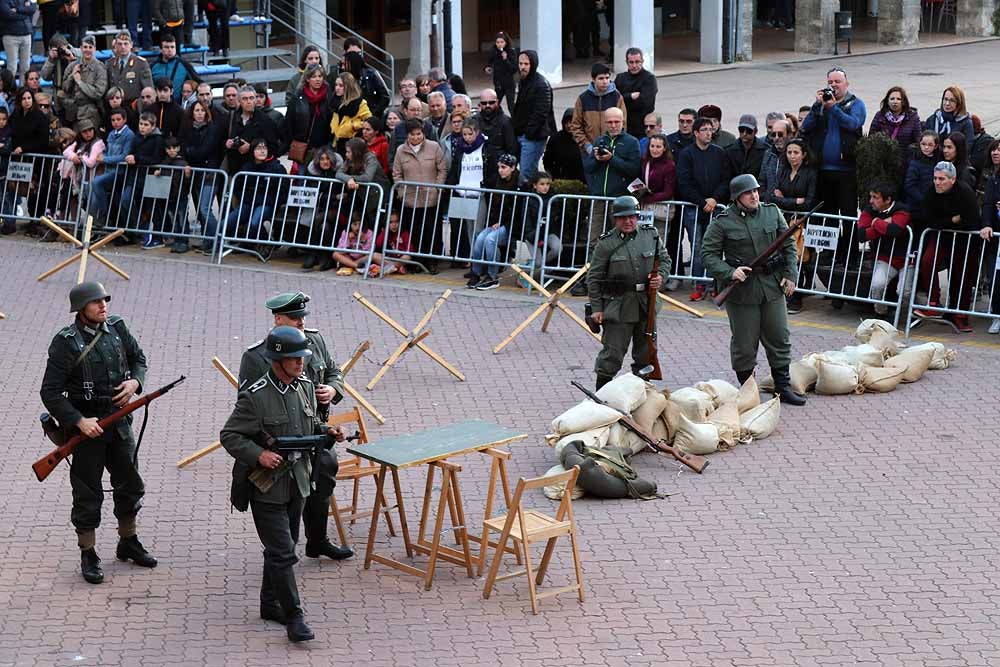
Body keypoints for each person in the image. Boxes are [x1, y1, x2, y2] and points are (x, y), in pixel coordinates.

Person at [221, 325, 337, 643]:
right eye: (294, 358)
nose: (301, 363)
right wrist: (258, 455)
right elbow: (230, 436)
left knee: (282, 549)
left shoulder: (304, 387)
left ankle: (269, 603)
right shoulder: (255, 397)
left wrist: (327, 433)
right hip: (267, 486)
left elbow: (311, 422)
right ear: (277, 361)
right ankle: (294, 617)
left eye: (302, 358)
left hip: (298, 481)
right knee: (284, 552)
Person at [39, 282, 156, 585]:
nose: (103, 305)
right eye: (95, 302)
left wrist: (135, 384)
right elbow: (50, 392)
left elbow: (138, 359)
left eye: (104, 300)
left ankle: (128, 540)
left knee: (130, 482)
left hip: (119, 423)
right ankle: (88, 552)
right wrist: (78, 421)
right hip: (88, 429)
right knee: (88, 491)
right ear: (81, 309)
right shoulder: (65, 342)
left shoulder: (117, 327)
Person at [237, 293, 352, 559]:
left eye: (303, 317)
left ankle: (318, 540)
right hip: (282, 441)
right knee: (286, 495)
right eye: (295, 318)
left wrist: (333, 390)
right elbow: (248, 406)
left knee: (323, 483)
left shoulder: (315, 341)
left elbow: (335, 371)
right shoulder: (257, 356)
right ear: (278, 319)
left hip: (317, 432)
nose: (301, 322)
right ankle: (283, 551)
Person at [701, 174, 805, 405]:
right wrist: (729, 272)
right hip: (742, 292)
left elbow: (788, 243)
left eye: (756, 191)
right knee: (745, 344)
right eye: (748, 193)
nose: (754, 195)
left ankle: (782, 386)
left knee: (779, 336)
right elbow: (707, 254)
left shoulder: (771, 211)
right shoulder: (723, 222)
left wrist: (790, 274)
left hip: (771, 286)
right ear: (737, 197)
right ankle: (749, 391)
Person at [586, 195, 670, 390]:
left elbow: (665, 260)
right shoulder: (606, 243)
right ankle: (601, 397)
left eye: (632, 216)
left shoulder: (651, 235)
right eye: (623, 217)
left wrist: (661, 277)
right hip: (618, 305)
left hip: (645, 304)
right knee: (612, 354)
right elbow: (594, 278)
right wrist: (597, 309)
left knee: (645, 353)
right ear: (615, 219)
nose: (628, 221)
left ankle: (642, 395)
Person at [801, 66, 866, 261]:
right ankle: (830, 252)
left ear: (846, 84)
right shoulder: (822, 105)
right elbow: (806, 127)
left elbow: (853, 123)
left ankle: (850, 255)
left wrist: (833, 108)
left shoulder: (856, 104)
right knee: (827, 214)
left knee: (847, 214)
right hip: (823, 169)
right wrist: (816, 106)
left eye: (837, 82)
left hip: (846, 170)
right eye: (830, 82)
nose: (834, 86)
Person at [912, 161, 982, 332]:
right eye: (935, 178)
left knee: (961, 276)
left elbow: (970, 219)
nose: (937, 182)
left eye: (941, 179)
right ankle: (933, 301)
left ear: (952, 179)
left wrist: (950, 222)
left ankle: (960, 316)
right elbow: (928, 219)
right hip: (942, 235)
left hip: (964, 239)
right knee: (928, 261)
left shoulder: (965, 192)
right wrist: (951, 220)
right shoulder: (931, 192)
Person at [676, 116, 731, 301]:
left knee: (714, 247)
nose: (709, 133)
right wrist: (702, 202)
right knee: (697, 246)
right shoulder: (686, 154)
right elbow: (684, 183)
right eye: (705, 129)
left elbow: (725, 180)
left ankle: (713, 283)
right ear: (696, 133)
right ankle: (699, 284)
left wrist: (715, 199)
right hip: (694, 208)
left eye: (711, 129)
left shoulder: (719, 153)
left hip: (715, 207)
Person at [392, 118, 447, 272]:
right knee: (414, 232)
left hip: (431, 199)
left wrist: (437, 188)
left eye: (418, 134)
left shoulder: (434, 147)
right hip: (410, 200)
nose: (416, 138)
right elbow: (397, 174)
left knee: (432, 231)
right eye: (412, 134)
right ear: (407, 135)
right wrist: (402, 192)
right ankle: (416, 262)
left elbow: (442, 169)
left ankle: (433, 261)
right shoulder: (400, 151)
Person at [582, 107, 641, 243]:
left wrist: (612, 159)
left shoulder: (631, 142)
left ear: (623, 122)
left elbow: (633, 170)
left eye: (616, 122)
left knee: (619, 238)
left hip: (619, 200)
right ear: (604, 123)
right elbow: (588, 168)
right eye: (609, 122)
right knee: (594, 239)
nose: (613, 125)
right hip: (599, 197)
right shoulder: (599, 141)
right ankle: (594, 264)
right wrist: (597, 159)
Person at [856, 182, 911, 316]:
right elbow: (861, 235)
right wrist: (884, 224)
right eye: (871, 197)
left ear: (888, 200)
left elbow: (896, 230)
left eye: (875, 197)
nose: (871, 201)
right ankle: (881, 313)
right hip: (885, 257)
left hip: (908, 259)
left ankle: (910, 314)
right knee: (877, 285)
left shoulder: (901, 210)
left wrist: (875, 223)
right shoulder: (869, 209)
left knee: (904, 292)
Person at [468, 153, 519, 290]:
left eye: (504, 167)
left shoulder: (520, 184)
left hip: (511, 224)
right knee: (480, 238)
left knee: (490, 240)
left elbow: (517, 210)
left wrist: (501, 222)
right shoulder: (495, 180)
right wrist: (495, 221)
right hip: (497, 221)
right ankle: (476, 272)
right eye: (499, 167)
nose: (500, 170)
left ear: (513, 168)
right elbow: (493, 206)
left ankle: (493, 276)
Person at [179, 100, 222, 253]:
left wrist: (191, 152)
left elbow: (205, 150)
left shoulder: (213, 129)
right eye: (196, 110)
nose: (199, 113)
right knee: (201, 209)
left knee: (204, 208)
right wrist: (189, 154)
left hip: (210, 173)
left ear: (206, 113)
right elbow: (182, 148)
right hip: (195, 174)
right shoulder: (187, 129)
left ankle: (218, 239)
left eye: (202, 111)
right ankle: (208, 241)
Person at [224, 138, 286, 242]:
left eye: (264, 148)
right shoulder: (247, 167)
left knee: (255, 222)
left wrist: (272, 201)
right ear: (252, 151)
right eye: (258, 148)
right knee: (226, 223)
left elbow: (284, 190)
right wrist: (245, 198)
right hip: (249, 202)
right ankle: (244, 243)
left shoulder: (277, 168)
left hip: (267, 204)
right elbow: (237, 187)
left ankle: (266, 243)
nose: (262, 151)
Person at [511, 49, 554, 185]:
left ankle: (528, 204)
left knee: (526, 175)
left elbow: (541, 113)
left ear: (533, 64)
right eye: (520, 63)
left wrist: (529, 133)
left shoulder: (541, 84)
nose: (522, 67)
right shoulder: (524, 81)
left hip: (533, 137)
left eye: (526, 64)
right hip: (523, 134)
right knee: (528, 173)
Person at [569, 62, 627, 160]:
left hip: (611, 150)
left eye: (607, 78)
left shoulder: (617, 97)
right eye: (601, 78)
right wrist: (586, 146)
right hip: (588, 152)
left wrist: (615, 145)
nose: (605, 81)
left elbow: (623, 123)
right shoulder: (583, 98)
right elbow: (576, 126)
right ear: (593, 79)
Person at [86, 108, 135, 220]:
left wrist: (105, 159)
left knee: (96, 182)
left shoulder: (129, 135)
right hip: (108, 170)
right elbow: (107, 151)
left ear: (125, 120)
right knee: (92, 191)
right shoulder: (111, 134)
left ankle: (103, 214)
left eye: (118, 119)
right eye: (113, 120)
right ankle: (95, 220)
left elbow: (124, 156)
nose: (116, 122)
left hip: (120, 172)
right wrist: (102, 155)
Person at [286, 64, 334, 170]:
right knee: (302, 181)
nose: (318, 79)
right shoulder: (297, 99)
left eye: (320, 76)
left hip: (324, 148)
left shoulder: (329, 96)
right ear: (307, 79)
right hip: (304, 149)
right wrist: (293, 142)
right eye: (314, 76)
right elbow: (289, 123)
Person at [224, 85, 279, 175]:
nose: (248, 102)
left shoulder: (265, 120)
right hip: (235, 169)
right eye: (245, 99)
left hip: (257, 171)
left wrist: (252, 147)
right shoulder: (230, 118)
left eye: (251, 98)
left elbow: (274, 147)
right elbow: (220, 139)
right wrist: (227, 143)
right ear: (239, 101)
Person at [476, 88, 517, 188]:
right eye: (484, 103)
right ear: (480, 104)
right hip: (478, 170)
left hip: (499, 172)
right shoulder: (474, 121)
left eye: (491, 102)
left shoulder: (506, 122)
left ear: (497, 102)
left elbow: (512, 149)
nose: (488, 105)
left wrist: (506, 170)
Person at [615, 48, 657, 140]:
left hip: (642, 128)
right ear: (626, 62)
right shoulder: (620, 78)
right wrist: (630, 96)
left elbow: (646, 103)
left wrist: (624, 99)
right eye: (631, 62)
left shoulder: (649, 79)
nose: (634, 65)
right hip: (623, 126)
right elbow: (615, 100)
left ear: (642, 61)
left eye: (637, 62)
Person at [980, 139, 1000, 334]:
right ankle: (996, 314)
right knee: (995, 277)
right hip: (996, 237)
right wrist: (986, 224)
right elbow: (988, 204)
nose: (996, 153)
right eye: (994, 149)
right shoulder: (994, 178)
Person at [149, 35, 200, 105]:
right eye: (166, 47)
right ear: (161, 49)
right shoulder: (153, 67)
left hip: (178, 106)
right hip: (158, 105)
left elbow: (198, 82)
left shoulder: (184, 64)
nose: (170, 50)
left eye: (172, 47)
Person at [341, 50, 390, 120]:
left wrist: (373, 115)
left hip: (371, 118)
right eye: (341, 64)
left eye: (344, 64)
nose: (342, 67)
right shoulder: (344, 79)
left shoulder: (371, 75)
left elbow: (385, 97)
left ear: (353, 64)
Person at [543, 108, 584, 184]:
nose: (568, 126)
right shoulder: (555, 139)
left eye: (571, 122)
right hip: (560, 180)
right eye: (566, 123)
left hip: (581, 181)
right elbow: (547, 160)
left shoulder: (584, 137)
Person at [0, 0, 37, 84]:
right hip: (10, 35)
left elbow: (33, 9)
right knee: (12, 67)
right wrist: (25, 13)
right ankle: (9, 91)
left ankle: (23, 90)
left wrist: (17, 9)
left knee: (26, 67)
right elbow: (8, 14)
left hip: (26, 34)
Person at [903, 130, 940, 208]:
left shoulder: (938, 161)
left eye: (930, 145)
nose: (926, 147)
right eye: (923, 144)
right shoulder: (915, 162)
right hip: (916, 205)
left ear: (935, 146)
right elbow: (909, 186)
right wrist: (924, 200)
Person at [371, 211, 413, 276]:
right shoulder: (386, 232)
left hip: (400, 259)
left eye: (396, 222)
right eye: (391, 222)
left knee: (407, 256)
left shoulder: (405, 233)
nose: (394, 224)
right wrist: (385, 231)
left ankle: (391, 268)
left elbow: (410, 250)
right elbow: (378, 243)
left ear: (400, 222)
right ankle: (396, 268)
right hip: (389, 259)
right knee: (374, 255)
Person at [485, 31, 517, 116]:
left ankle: (515, 123)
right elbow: (489, 62)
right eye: (497, 42)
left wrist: (506, 59)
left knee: (511, 105)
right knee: (496, 104)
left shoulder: (511, 51)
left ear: (506, 42)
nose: (499, 44)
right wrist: (487, 68)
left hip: (509, 83)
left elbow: (513, 69)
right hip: (498, 83)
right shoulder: (493, 51)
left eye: (502, 42)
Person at [759, 118, 790, 204]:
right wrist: (765, 197)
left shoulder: (794, 154)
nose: (776, 138)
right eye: (773, 135)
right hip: (769, 205)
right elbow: (762, 180)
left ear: (789, 135)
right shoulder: (768, 154)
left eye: (780, 134)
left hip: (787, 206)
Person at [11, 87, 50, 155]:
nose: (27, 101)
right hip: (17, 156)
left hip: (35, 157)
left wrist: (23, 148)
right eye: (24, 99)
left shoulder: (40, 116)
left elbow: (43, 141)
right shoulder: (16, 113)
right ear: (19, 100)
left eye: (29, 98)